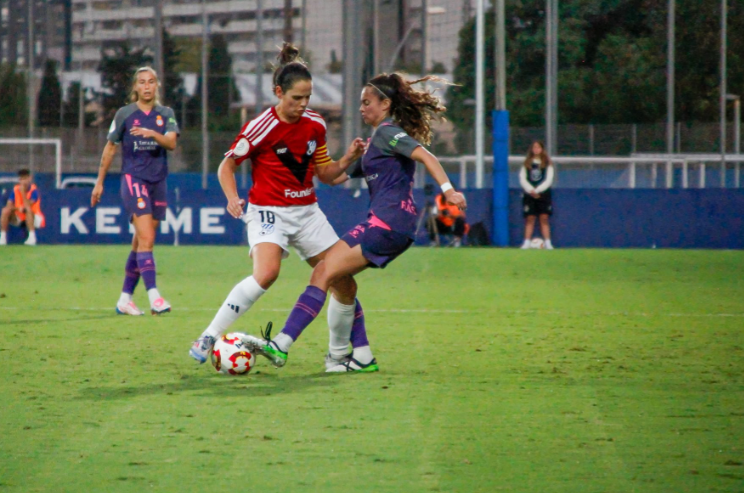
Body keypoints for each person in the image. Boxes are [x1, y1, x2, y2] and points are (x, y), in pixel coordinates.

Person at [242, 72, 467, 372]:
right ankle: (360, 355)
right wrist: (347, 157)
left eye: (367, 102)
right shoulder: (375, 145)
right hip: (390, 224)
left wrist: (448, 190)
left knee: (322, 272)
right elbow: (333, 178)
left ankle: (281, 345)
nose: (362, 108)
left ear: (385, 104)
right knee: (337, 279)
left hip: (388, 223)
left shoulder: (388, 133)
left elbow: (426, 156)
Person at [188, 43, 371, 372]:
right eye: (295, 98)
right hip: (268, 212)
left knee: (344, 281)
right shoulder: (261, 126)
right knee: (267, 273)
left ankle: (338, 357)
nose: (302, 105)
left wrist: (348, 159)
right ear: (278, 93)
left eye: (307, 98)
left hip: (308, 213)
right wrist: (232, 198)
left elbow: (325, 174)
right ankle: (208, 336)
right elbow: (226, 167)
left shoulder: (315, 125)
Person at [91, 66, 179, 315]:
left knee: (140, 241)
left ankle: (124, 299)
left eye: (151, 81)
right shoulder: (124, 114)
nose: (147, 86)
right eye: (142, 82)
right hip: (134, 179)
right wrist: (99, 182)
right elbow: (110, 148)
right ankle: (155, 298)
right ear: (135, 87)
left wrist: (152, 133)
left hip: (158, 182)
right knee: (147, 240)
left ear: (157, 85)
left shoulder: (166, 114)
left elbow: (171, 142)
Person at [519, 140, 554, 249]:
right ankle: (526, 242)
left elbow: (549, 179)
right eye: (534, 147)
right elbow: (522, 178)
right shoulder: (527, 163)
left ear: (542, 149)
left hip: (543, 194)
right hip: (530, 194)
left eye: (538, 147)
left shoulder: (547, 163)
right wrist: (531, 190)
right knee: (530, 218)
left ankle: (548, 243)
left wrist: (538, 190)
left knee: (544, 218)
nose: (536, 149)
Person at [0, 168, 45, 246]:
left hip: (35, 217)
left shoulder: (34, 190)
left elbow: (27, 206)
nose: (23, 181)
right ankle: (2, 238)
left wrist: (23, 192)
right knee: (5, 211)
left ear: (30, 178)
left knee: (28, 210)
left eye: (25, 179)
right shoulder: (15, 189)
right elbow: (9, 205)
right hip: (19, 216)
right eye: (22, 179)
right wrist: (18, 208)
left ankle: (32, 237)